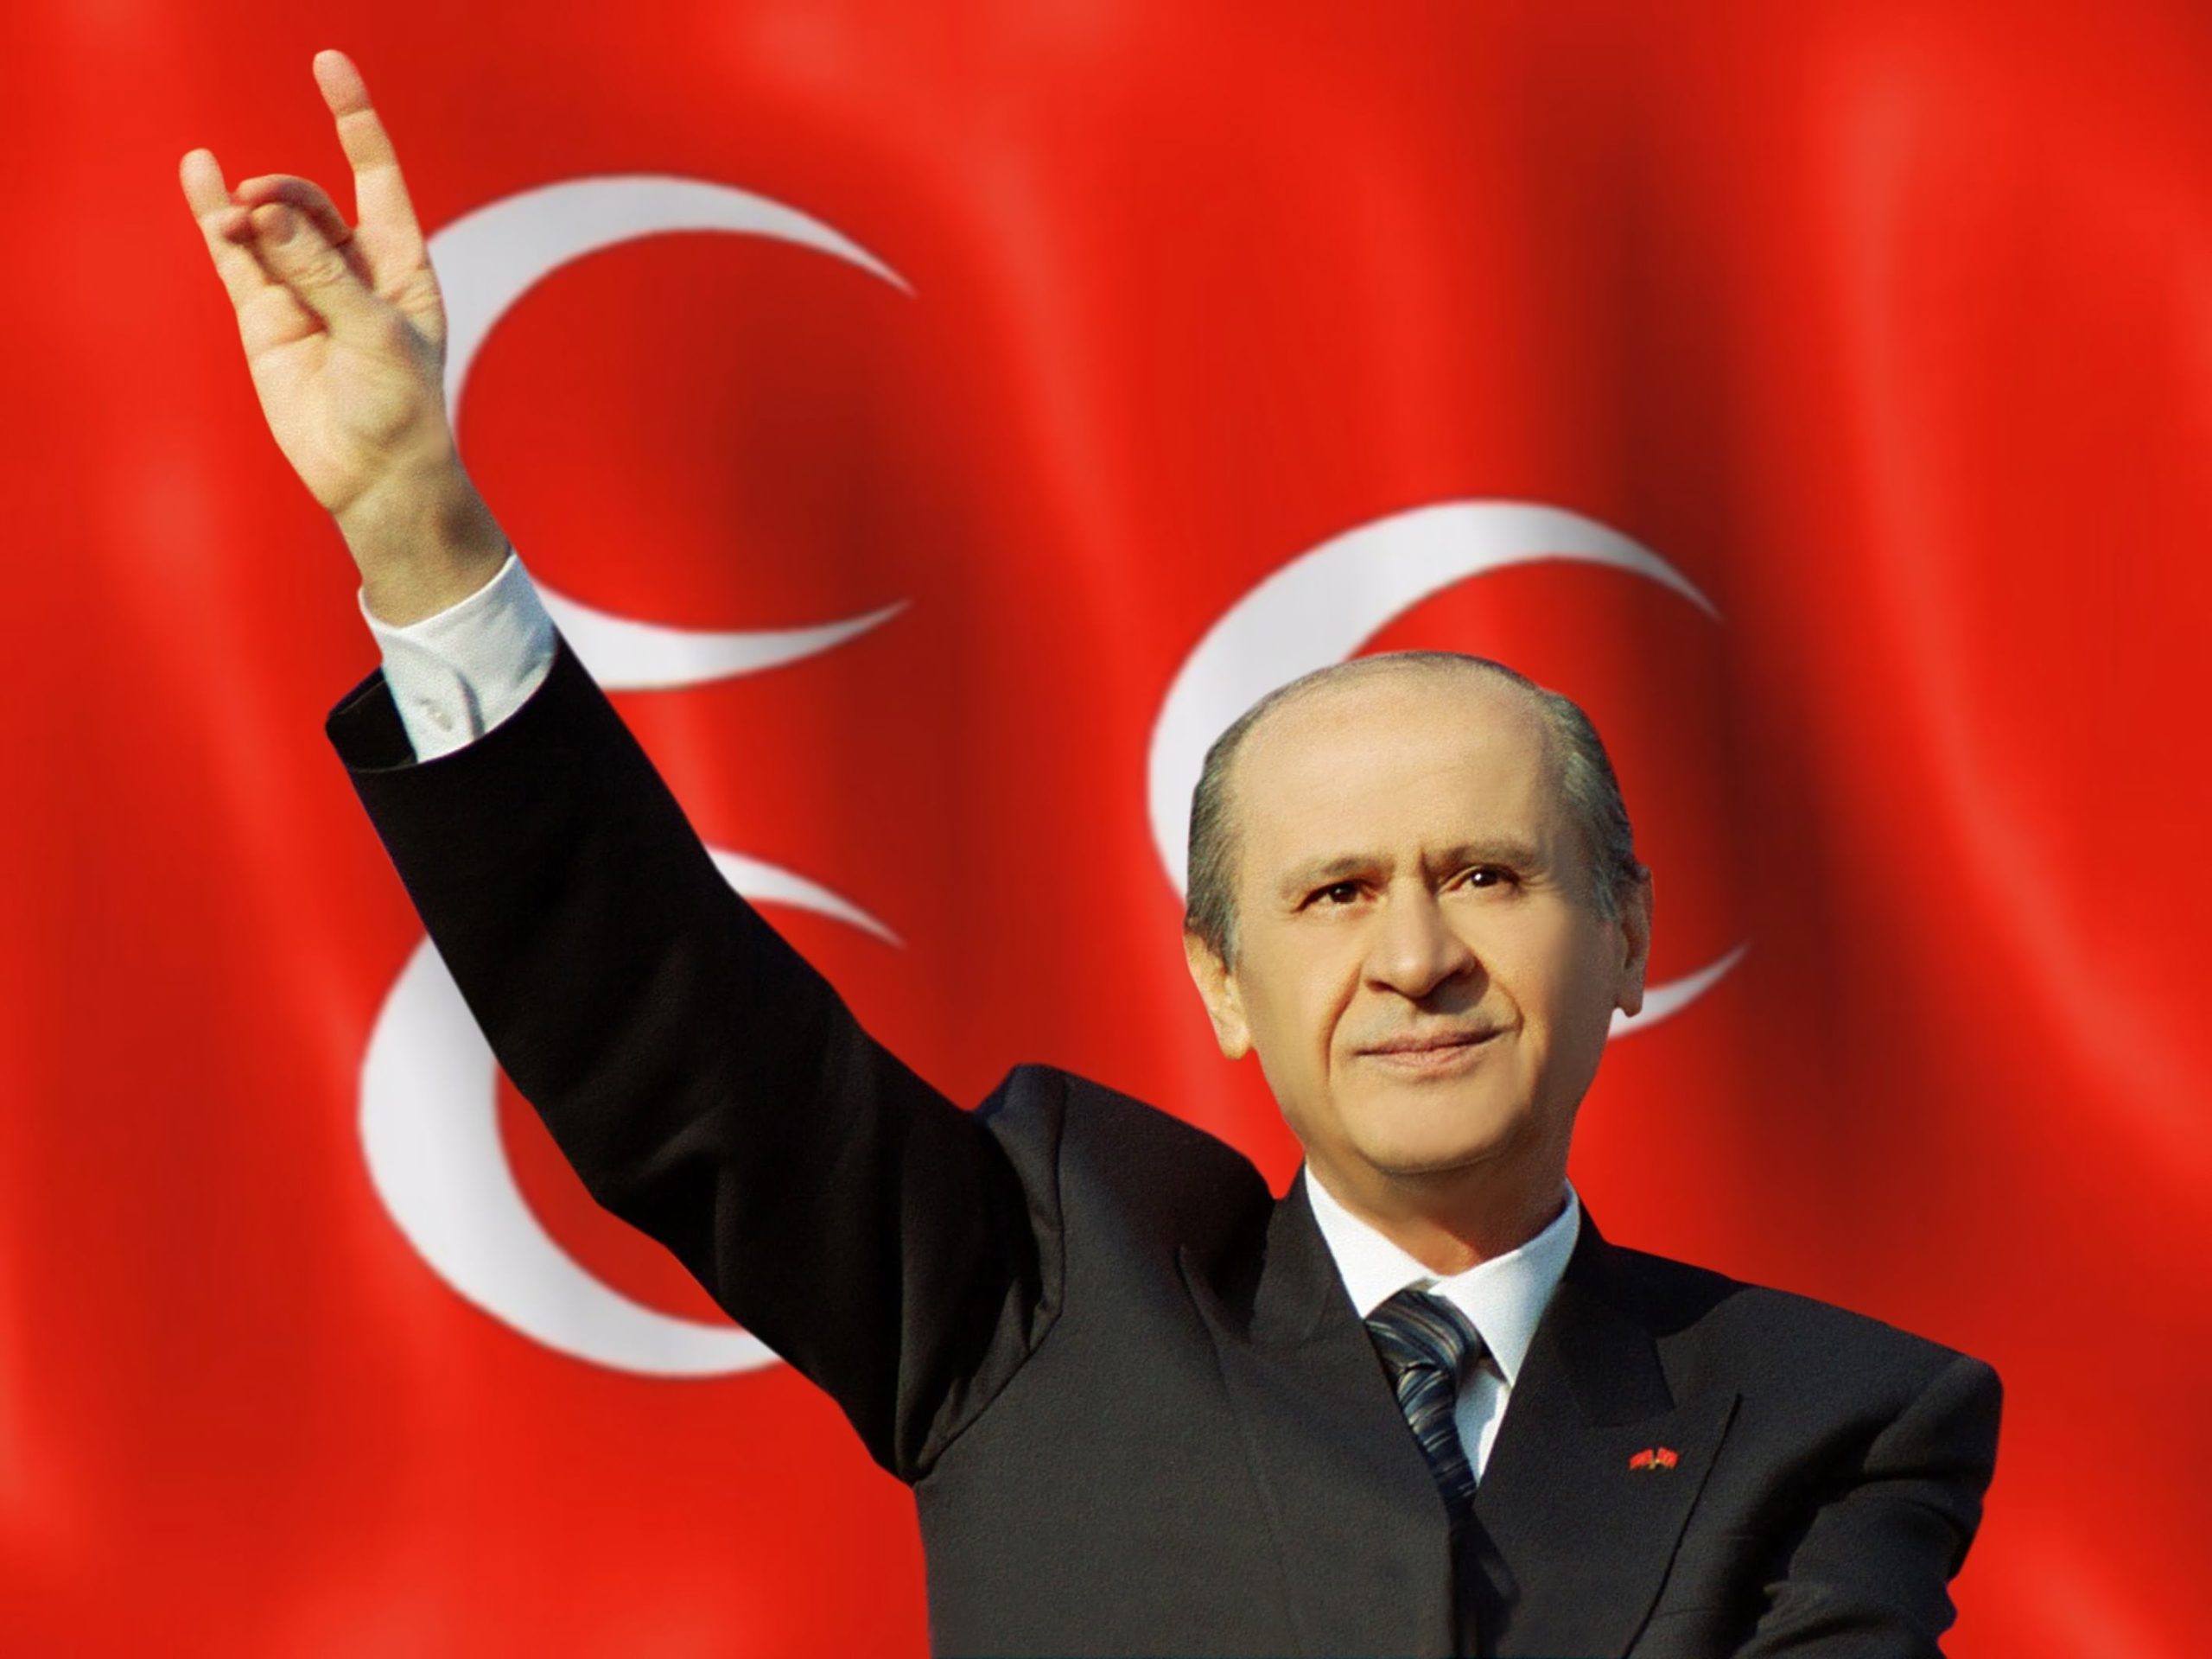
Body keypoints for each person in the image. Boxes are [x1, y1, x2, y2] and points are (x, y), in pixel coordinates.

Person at [181, 51, 2002, 1658]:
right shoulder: (1043, 1289)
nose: (1416, 955)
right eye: (1333, 893)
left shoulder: (1833, 1420)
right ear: (1221, 981)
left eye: (1487, 876)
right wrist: (415, 527)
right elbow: (669, 1038)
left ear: (1628, 937)